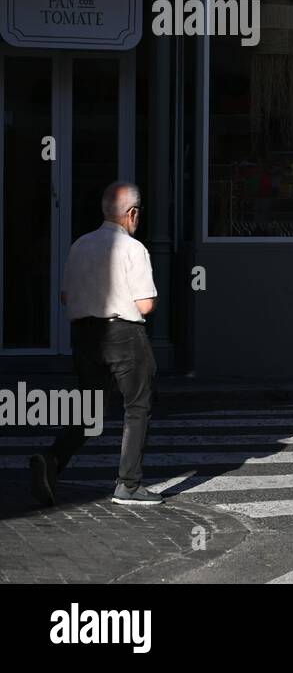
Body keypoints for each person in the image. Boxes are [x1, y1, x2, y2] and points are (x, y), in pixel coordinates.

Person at [30, 182, 162, 506]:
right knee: (137, 406)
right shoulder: (134, 249)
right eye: (137, 214)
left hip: (86, 337)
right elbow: (144, 305)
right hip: (125, 335)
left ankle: (53, 458)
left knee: (90, 412)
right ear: (131, 214)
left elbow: (65, 296)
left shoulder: (79, 245)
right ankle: (128, 484)